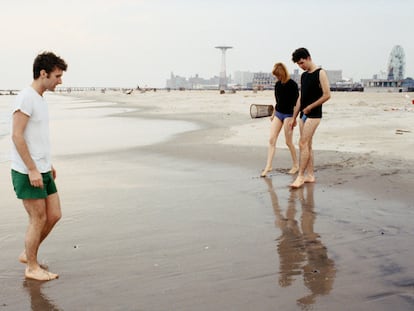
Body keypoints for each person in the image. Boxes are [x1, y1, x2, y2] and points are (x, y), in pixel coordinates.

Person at [11, 51, 67, 281]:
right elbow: (17, 135)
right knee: (38, 219)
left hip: (42, 168)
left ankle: (28, 253)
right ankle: (32, 267)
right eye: (57, 75)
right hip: (27, 171)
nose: (60, 81)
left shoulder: (40, 98)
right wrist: (33, 169)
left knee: (54, 215)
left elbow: (37, 136)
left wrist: (46, 163)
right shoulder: (26, 97)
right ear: (43, 73)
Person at [289, 48, 331, 188]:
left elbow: (327, 95)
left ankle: (300, 176)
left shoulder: (320, 73)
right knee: (308, 145)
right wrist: (294, 117)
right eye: (298, 64)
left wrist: (311, 107)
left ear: (308, 58)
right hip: (303, 115)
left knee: (302, 143)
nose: (301, 66)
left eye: (302, 62)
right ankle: (310, 175)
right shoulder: (304, 76)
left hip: (314, 114)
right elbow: (300, 98)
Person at [260, 62, 299, 177]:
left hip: (289, 115)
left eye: (278, 75)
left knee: (288, 142)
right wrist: (273, 114)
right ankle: (268, 165)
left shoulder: (292, 85)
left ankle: (296, 165)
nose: (277, 77)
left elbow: (297, 103)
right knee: (271, 139)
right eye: (276, 76)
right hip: (278, 113)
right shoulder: (277, 85)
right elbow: (278, 101)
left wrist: (294, 118)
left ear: (283, 73)